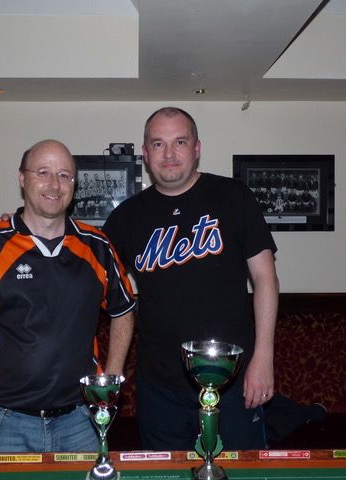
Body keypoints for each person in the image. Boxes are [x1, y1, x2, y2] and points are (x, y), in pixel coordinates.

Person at [102, 107, 279, 451]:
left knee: (240, 472)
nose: (169, 154)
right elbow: (83, 264)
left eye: (179, 142)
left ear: (197, 148)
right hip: (159, 388)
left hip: (232, 380)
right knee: (166, 473)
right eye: (158, 144)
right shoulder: (127, 217)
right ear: (145, 153)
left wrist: (264, 358)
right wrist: (19, 225)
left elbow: (265, 279)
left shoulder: (234, 197)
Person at [0, 139, 136, 454]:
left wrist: (110, 383)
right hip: (3, 423)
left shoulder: (98, 247)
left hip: (81, 421)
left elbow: (124, 311)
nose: (54, 184)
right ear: (22, 178)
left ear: (74, 184)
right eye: (43, 172)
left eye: (64, 175)